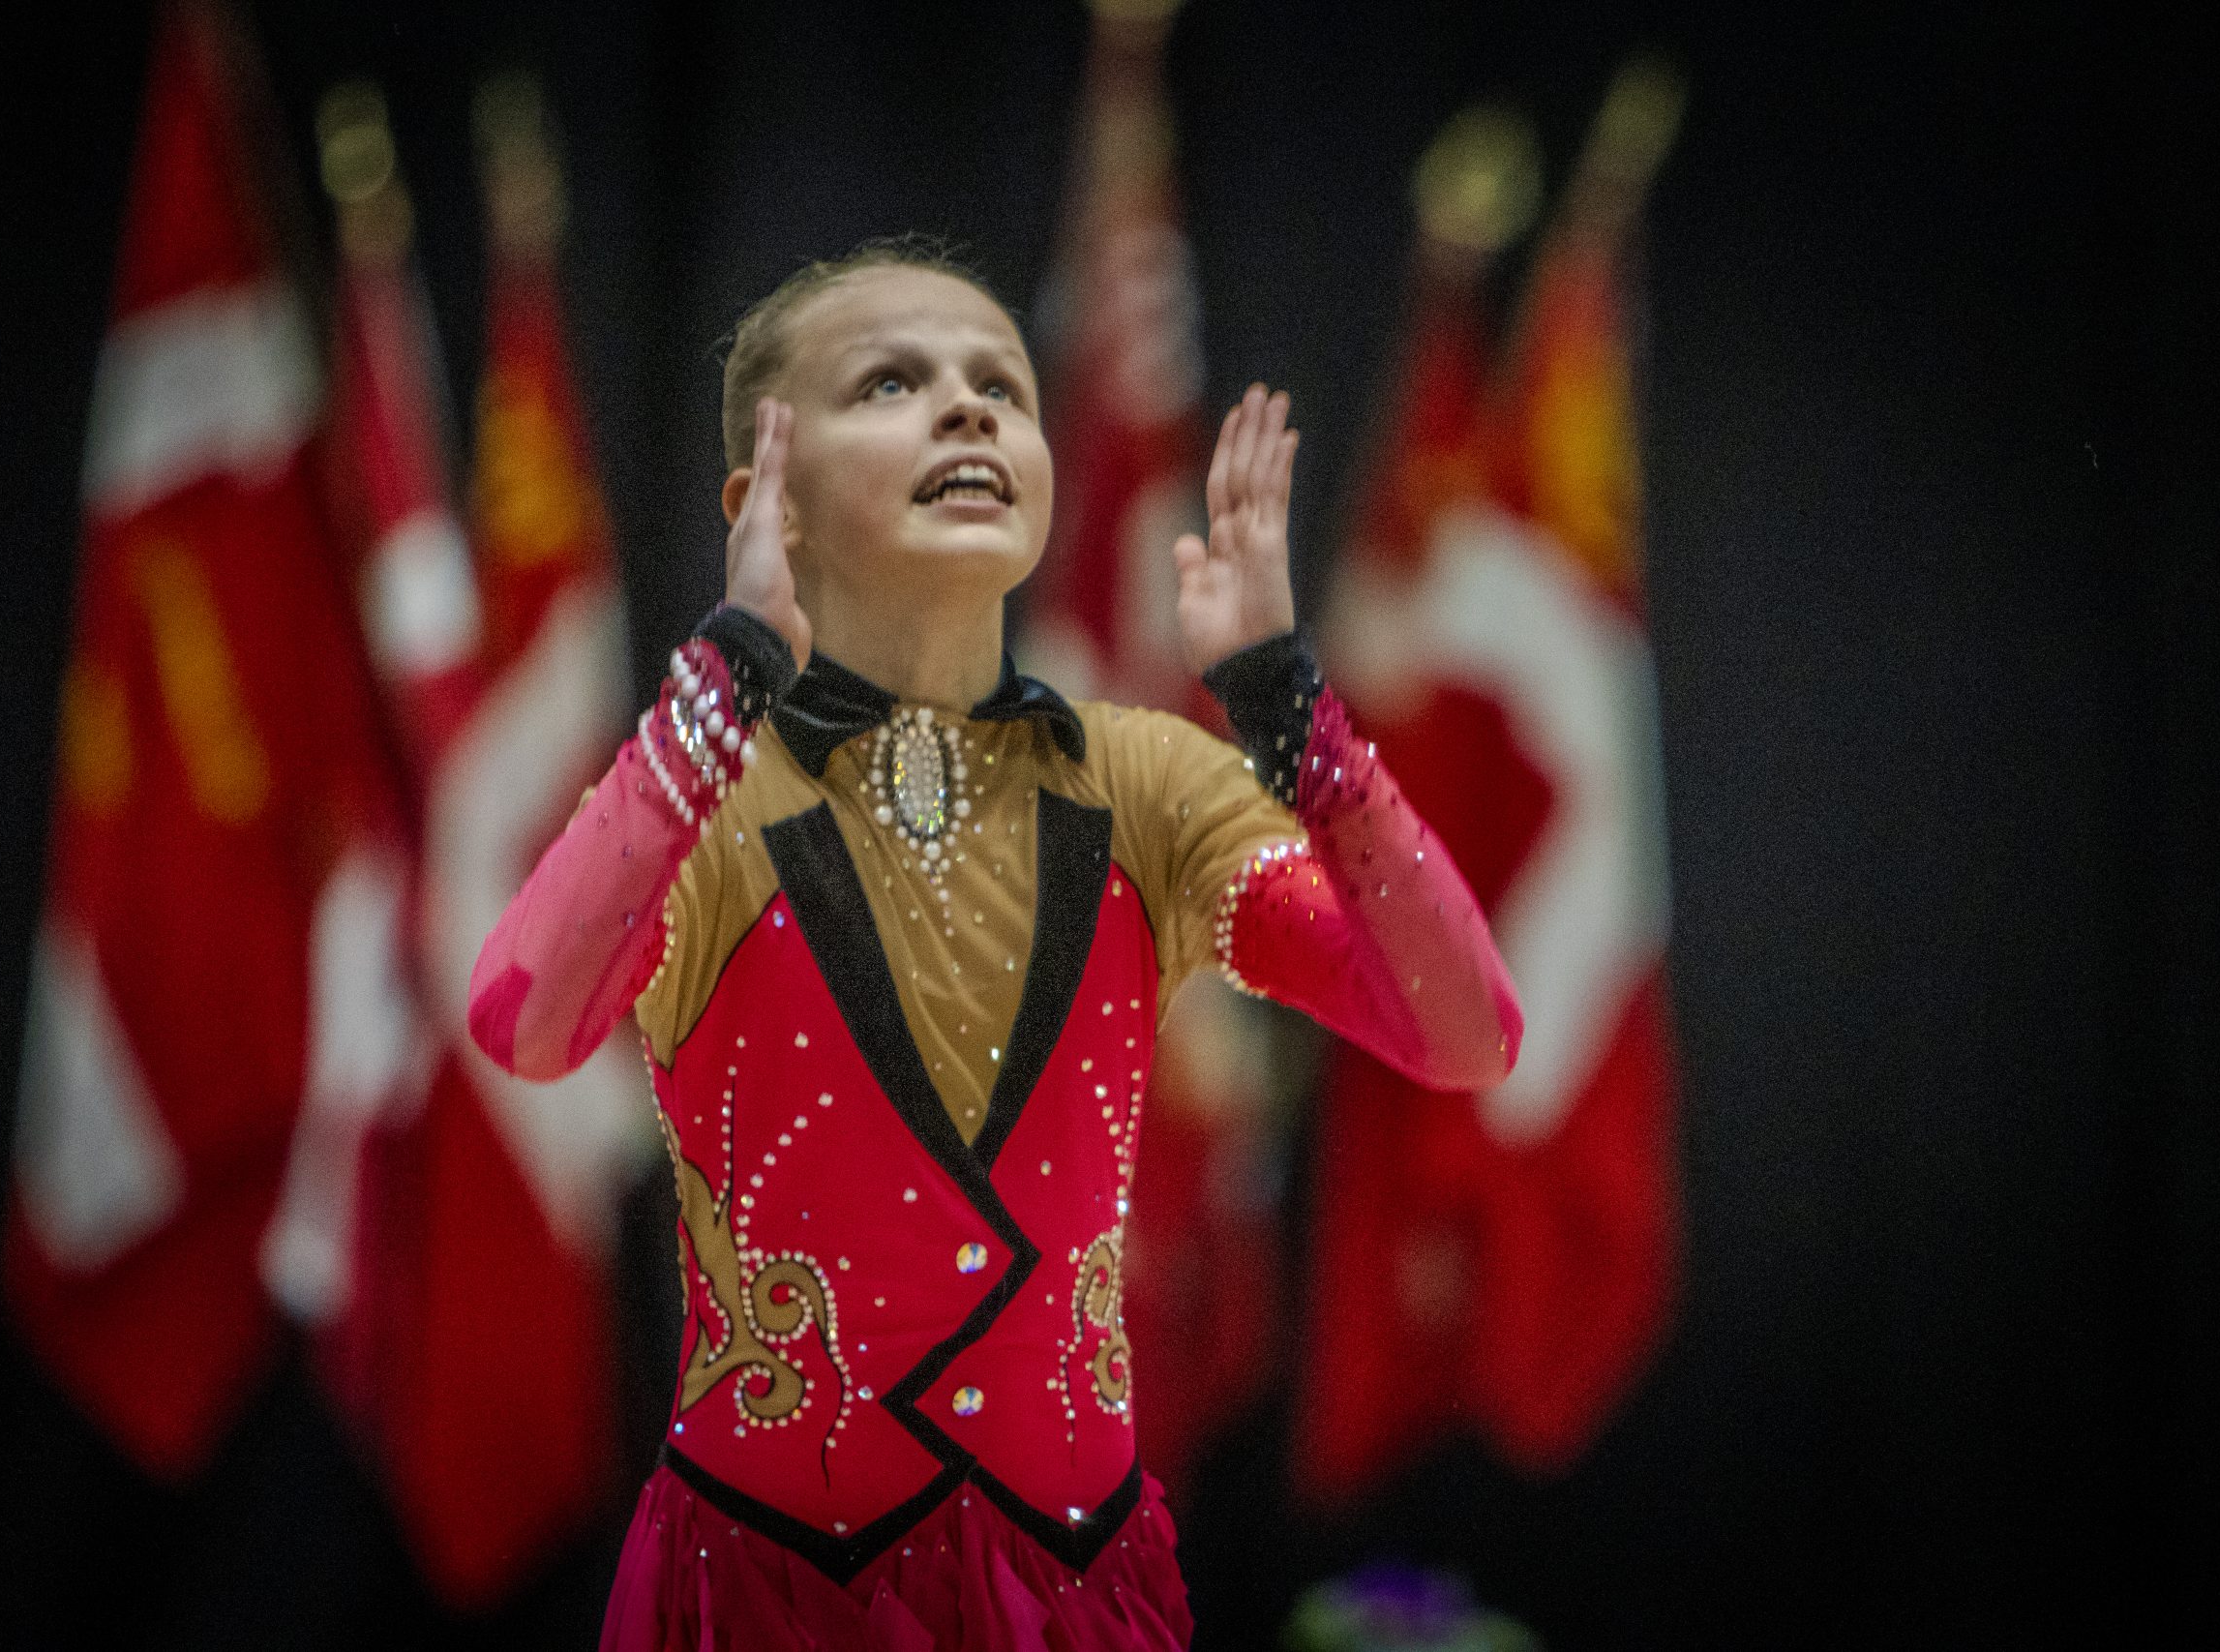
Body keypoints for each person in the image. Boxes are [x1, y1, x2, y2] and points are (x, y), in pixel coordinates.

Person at [469, 241, 1521, 1651]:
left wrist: (1290, 710)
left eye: (1001, 388)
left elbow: (1464, 1032)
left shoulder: (1149, 786)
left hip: (1070, 1598)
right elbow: (525, 1022)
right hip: (763, 1597)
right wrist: (720, 682)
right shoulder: (702, 795)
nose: (967, 408)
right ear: (765, 495)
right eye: (890, 384)